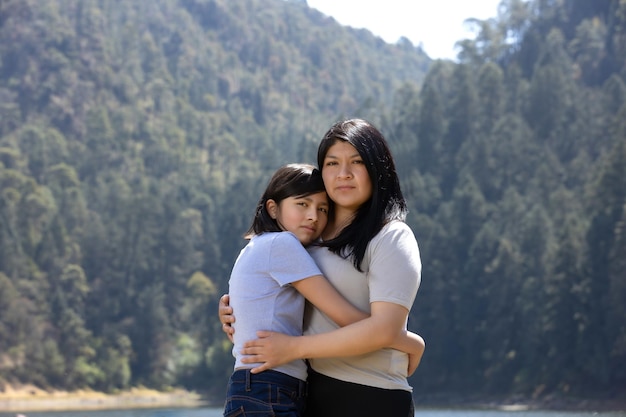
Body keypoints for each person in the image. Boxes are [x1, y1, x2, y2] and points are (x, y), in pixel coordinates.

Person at [220, 119, 423, 417]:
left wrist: (294, 348)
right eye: (332, 163)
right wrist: (231, 309)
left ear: (378, 169)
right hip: (303, 395)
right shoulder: (302, 239)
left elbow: (383, 328)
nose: (344, 174)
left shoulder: (390, 236)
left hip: (371, 394)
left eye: (357, 162)